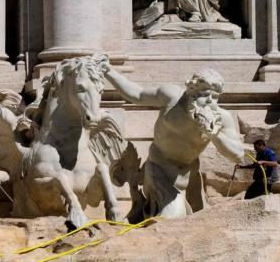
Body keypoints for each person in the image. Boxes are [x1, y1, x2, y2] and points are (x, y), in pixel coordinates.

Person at [103, 66, 244, 219]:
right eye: (204, 95)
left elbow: (237, 155)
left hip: (187, 174)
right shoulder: (171, 98)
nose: (210, 101)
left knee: (196, 219)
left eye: (215, 97)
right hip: (158, 168)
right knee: (173, 217)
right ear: (191, 91)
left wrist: (213, 133)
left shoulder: (221, 118)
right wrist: (109, 71)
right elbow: (137, 94)